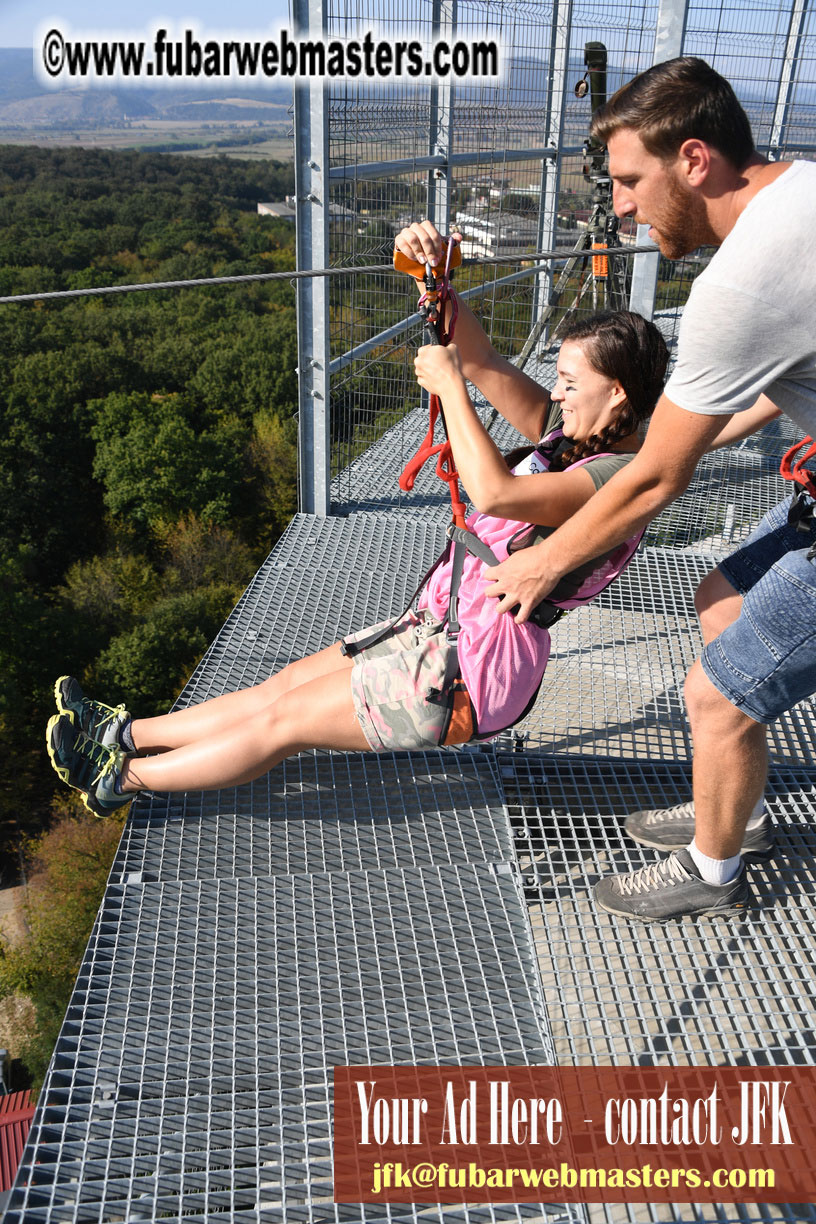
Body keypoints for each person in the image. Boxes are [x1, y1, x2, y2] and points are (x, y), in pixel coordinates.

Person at [45, 249, 669, 817]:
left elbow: (496, 493)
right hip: (442, 626)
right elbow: (482, 359)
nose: (556, 393)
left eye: (569, 382)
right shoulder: (571, 436)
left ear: (616, 394)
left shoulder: (615, 478)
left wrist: (451, 390)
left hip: (473, 670)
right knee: (282, 688)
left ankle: (119, 778)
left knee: (285, 723)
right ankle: (126, 733)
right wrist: (436, 281)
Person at [484, 56, 816, 922]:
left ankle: (713, 873)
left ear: (694, 160)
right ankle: (731, 808)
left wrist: (541, 564)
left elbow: (656, 477)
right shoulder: (802, 195)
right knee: (723, 599)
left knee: (717, 692)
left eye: (632, 181)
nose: (622, 206)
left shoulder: (740, 283)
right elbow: (782, 374)